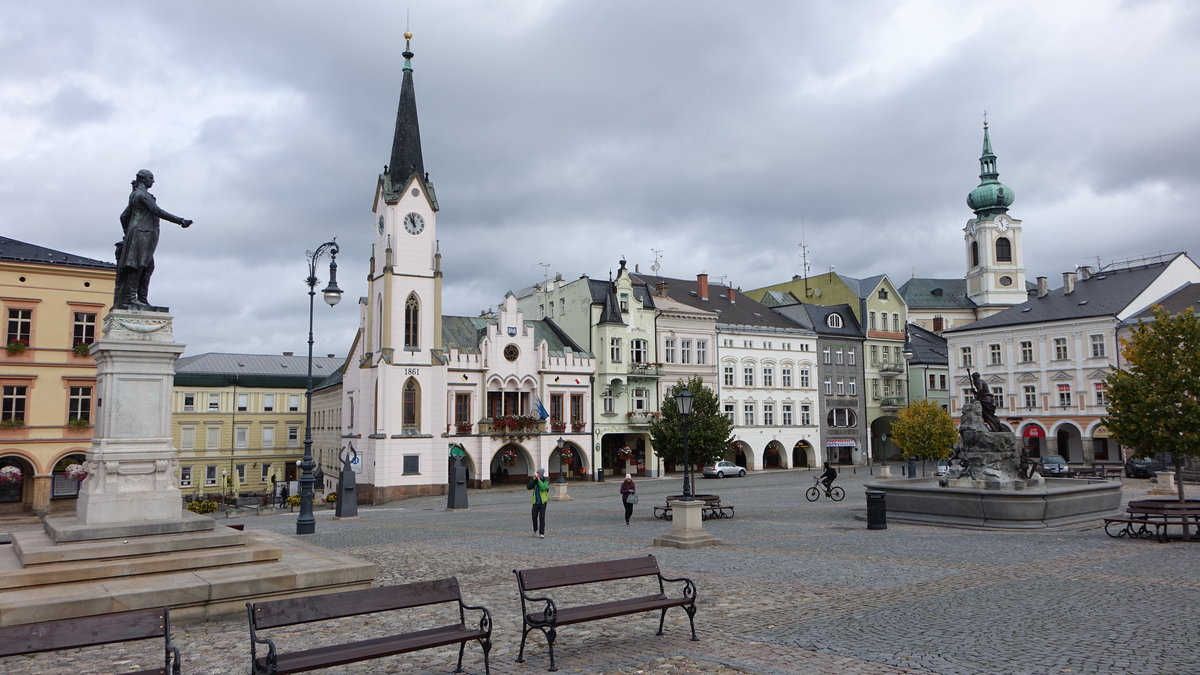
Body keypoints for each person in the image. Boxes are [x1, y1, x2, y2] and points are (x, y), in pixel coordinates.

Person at [114, 169, 192, 310]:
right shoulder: (141, 195)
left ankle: (142, 299)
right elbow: (157, 211)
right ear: (144, 179)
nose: (153, 181)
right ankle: (130, 298)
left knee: (148, 266)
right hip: (142, 233)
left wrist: (128, 231)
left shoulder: (135, 195)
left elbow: (123, 216)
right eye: (151, 178)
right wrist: (180, 220)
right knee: (137, 265)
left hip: (141, 233)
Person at [527, 467, 549, 538]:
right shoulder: (535, 481)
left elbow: (543, 488)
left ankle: (541, 533)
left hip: (543, 502)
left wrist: (539, 480)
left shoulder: (546, 480)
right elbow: (529, 487)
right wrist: (533, 480)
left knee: (542, 517)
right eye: (537, 473)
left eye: (538, 473)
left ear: (541, 474)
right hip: (535, 502)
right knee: (534, 517)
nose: (537, 474)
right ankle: (535, 529)